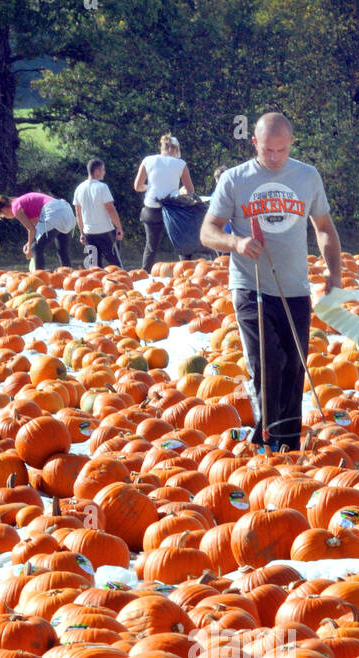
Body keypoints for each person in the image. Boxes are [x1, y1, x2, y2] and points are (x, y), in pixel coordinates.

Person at [201, 112, 342, 453]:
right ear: (254, 144)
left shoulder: (307, 177)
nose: (275, 157)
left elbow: (323, 227)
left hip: (294, 287)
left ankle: (288, 447)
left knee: (294, 368)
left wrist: (334, 274)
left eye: (281, 150)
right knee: (267, 362)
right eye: (267, 150)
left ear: (291, 142)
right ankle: (265, 438)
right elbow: (208, 231)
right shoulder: (235, 180)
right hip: (252, 285)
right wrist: (236, 242)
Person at [133, 134, 194, 273]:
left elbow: (137, 186)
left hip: (151, 209)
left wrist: (150, 188)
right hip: (172, 209)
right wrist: (180, 191)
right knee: (181, 242)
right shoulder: (180, 164)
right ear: (175, 149)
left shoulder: (148, 160)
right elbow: (190, 190)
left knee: (151, 246)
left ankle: (145, 274)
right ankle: (186, 273)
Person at [0, 191, 77, 269]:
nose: (6, 218)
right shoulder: (23, 202)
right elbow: (35, 229)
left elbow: (31, 230)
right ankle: (67, 273)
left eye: (3, 216)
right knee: (62, 251)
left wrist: (30, 247)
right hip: (66, 210)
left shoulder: (15, 207)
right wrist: (29, 243)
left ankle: (39, 277)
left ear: (3, 210)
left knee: (36, 248)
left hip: (53, 212)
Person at [73, 159, 124, 268]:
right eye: (103, 170)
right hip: (105, 231)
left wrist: (81, 233)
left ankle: (96, 284)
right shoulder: (102, 187)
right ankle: (121, 284)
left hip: (88, 232)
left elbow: (78, 213)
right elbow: (110, 209)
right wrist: (119, 227)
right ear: (97, 171)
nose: (104, 172)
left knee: (94, 267)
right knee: (116, 264)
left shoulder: (79, 188)